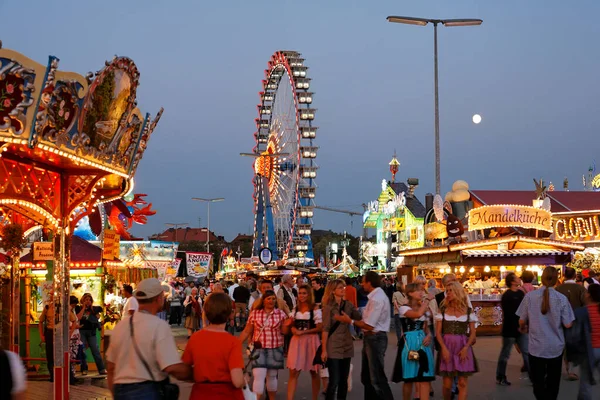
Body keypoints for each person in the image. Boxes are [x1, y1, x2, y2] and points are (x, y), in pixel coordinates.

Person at [107, 278, 191, 399]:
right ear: (159, 298)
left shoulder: (121, 326)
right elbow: (172, 367)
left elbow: (110, 367)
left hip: (121, 390)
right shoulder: (159, 326)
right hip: (148, 390)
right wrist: (194, 373)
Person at [516, 267, 575, 400]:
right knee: (553, 382)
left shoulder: (530, 297)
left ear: (541, 278)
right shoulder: (562, 298)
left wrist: (524, 327)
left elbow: (521, 320)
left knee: (538, 383)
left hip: (536, 346)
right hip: (556, 347)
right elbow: (568, 324)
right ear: (556, 279)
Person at [336, 271, 394, 400]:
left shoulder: (377, 299)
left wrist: (349, 321)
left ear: (369, 282)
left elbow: (369, 325)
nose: (362, 284)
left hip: (375, 338)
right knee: (367, 377)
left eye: (363, 281)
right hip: (371, 338)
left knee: (376, 378)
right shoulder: (375, 297)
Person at [182, 292, 245, 399]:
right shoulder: (233, 342)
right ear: (230, 313)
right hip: (226, 393)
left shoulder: (195, 338)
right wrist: (245, 379)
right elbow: (237, 381)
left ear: (206, 312)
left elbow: (184, 370)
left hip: (200, 393)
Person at [240, 290, 291, 400]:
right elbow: (247, 330)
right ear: (263, 301)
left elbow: (284, 332)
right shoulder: (255, 313)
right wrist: (236, 343)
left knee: (272, 376)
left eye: (273, 299)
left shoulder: (280, 314)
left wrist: (287, 325)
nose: (271, 301)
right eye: (268, 299)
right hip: (259, 349)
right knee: (259, 375)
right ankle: (257, 398)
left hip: (275, 348)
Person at [436, 281, 479, 400]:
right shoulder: (443, 309)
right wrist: (443, 348)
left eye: (451, 291)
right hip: (447, 345)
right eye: (447, 291)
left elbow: (472, 333)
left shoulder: (468, 311)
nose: (448, 293)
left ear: (458, 292)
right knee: (447, 384)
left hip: (463, 346)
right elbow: (438, 333)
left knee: (462, 383)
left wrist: (466, 347)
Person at [392, 283, 435, 400]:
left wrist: (429, 335)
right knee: (409, 378)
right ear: (410, 293)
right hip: (409, 343)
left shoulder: (424, 307)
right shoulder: (403, 308)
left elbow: (427, 326)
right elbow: (416, 314)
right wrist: (427, 301)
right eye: (418, 291)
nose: (421, 293)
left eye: (422, 290)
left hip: (422, 342)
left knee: (425, 377)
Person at [321, 279, 362, 400]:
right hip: (333, 345)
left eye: (343, 287)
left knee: (344, 379)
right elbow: (325, 329)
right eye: (340, 288)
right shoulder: (328, 307)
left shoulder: (348, 305)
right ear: (333, 291)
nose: (343, 289)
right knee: (334, 380)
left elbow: (358, 318)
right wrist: (324, 349)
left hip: (346, 344)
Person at [285, 284, 323, 400]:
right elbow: (290, 325)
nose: (301, 296)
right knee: (293, 371)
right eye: (300, 293)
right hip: (297, 341)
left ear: (309, 294)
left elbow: (320, 327)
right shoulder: (295, 309)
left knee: (314, 372)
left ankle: (314, 398)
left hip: (311, 340)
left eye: (304, 293)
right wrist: (292, 328)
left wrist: (304, 332)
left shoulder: (315, 309)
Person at [496, 272, 529, 386]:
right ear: (512, 282)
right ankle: (501, 376)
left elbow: (524, 309)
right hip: (510, 328)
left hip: (519, 327)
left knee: (526, 351)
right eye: (516, 278)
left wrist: (524, 324)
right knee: (506, 354)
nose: (519, 279)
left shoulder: (520, 293)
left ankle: (534, 376)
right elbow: (509, 313)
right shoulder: (507, 295)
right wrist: (520, 325)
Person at [567, 284, 600, 399]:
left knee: (585, 382)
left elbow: (574, 335)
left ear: (589, 295)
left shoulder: (580, 312)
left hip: (588, 350)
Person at [557, 266, 587, 380]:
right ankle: (571, 370)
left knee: (561, 344)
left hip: (560, 320)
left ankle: (558, 367)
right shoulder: (580, 289)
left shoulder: (558, 288)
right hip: (576, 320)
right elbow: (585, 304)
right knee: (573, 345)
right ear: (575, 276)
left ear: (564, 276)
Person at [76, 293, 106, 375]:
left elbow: (98, 318)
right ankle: (84, 369)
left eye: (89, 300)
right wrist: (83, 308)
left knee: (95, 350)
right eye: (86, 300)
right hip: (82, 331)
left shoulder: (94, 310)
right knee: (82, 350)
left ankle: (101, 369)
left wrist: (97, 317)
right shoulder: (78, 308)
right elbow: (78, 317)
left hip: (91, 332)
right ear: (83, 301)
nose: (88, 301)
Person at [38, 293, 55, 382]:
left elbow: (73, 320)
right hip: (50, 332)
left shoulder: (63, 307)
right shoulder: (47, 307)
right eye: (51, 294)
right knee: (50, 354)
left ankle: (61, 375)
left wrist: (69, 334)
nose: (53, 296)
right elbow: (40, 321)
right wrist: (41, 335)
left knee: (59, 354)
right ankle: (52, 375)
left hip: (59, 333)